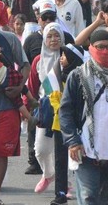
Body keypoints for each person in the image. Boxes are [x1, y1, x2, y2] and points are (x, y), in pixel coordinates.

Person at [59, 30, 108, 205]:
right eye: (100, 47)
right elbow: (65, 112)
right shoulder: (78, 76)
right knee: (89, 198)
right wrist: (72, 141)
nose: (105, 51)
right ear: (91, 48)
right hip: (86, 150)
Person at [0, 1, 30, 205]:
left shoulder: (9, 39)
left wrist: (20, 88)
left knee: (2, 151)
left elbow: (25, 65)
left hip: (7, 106)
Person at [26, 23, 65, 194]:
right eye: (49, 36)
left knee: (66, 151)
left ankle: (64, 185)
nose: (53, 39)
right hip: (46, 110)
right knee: (41, 150)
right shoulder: (38, 61)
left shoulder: (68, 57)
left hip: (66, 109)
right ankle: (48, 174)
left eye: (57, 35)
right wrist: (27, 110)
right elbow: (32, 87)